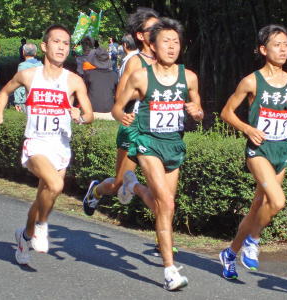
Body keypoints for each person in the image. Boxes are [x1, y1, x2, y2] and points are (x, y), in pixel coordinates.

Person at [218, 24, 287, 280]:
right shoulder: (252, 81)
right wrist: (247, 128)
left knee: (257, 209)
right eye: (277, 44)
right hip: (258, 150)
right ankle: (253, 239)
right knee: (278, 201)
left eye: (286, 45)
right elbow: (226, 112)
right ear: (263, 49)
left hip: (281, 150)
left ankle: (230, 253)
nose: (283, 50)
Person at [0, 24, 94, 265]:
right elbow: (4, 92)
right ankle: (41, 226)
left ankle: (24, 236)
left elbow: (88, 115)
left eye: (66, 43)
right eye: (56, 42)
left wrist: (79, 115)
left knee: (43, 197)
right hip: (36, 143)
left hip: (60, 146)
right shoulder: (29, 75)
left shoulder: (74, 81)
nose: (61, 47)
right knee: (55, 184)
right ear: (45, 46)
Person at [112, 17, 204, 291]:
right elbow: (117, 106)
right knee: (167, 203)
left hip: (173, 144)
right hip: (147, 141)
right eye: (166, 41)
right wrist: (123, 116)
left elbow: (198, 108)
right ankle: (169, 269)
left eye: (176, 42)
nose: (172, 46)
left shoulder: (189, 76)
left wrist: (196, 112)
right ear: (152, 44)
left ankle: (134, 186)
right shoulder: (141, 76)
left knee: (165, 205)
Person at [82, 7, 158, 216]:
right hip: (133, 127)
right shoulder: (136, 61)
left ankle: (165, 245)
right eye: (152, 29)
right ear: (141, 36)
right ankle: (95, 191)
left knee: (163, 190)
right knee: (118, 184)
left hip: (158, 131)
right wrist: (146, 92)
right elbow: (120, 97)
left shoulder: (167, 59)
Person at [83, 47, 117, 119]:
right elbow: (116, 94)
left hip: (92, 111)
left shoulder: (89, 74)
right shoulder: (114, 75)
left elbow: (84, 91)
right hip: (109, 112)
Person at [14, 43, 43, 112]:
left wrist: (17, 101)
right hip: (39, 98)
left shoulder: (22, 66)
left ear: (23, 52)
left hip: (25, 99)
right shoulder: (41, 65)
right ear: (35, 53)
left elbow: (19, 85)